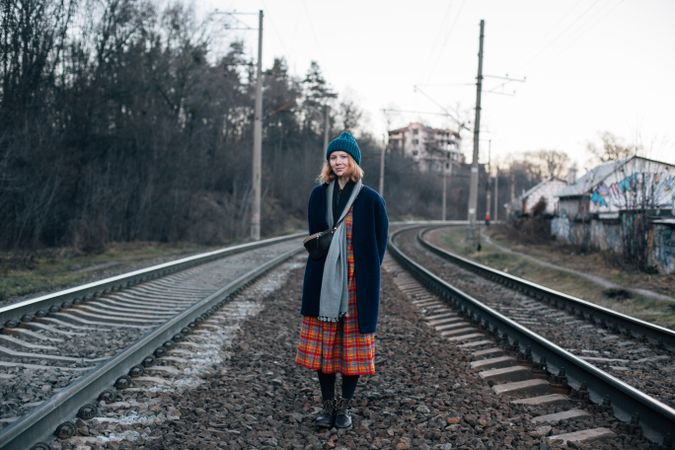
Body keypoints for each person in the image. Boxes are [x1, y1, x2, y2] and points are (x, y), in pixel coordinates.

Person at [295, 131, 389, 429]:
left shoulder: (371, 199)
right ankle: (327, 407)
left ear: (354, 161)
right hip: (323, 283)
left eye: (343, 157)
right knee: (325, 347)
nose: (337, 162)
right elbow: (316, 237)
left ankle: (344, 408)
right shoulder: (318, 194)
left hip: (357, 284)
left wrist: (366, 273)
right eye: (333, 157)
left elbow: (380, 242)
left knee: (352, 348)